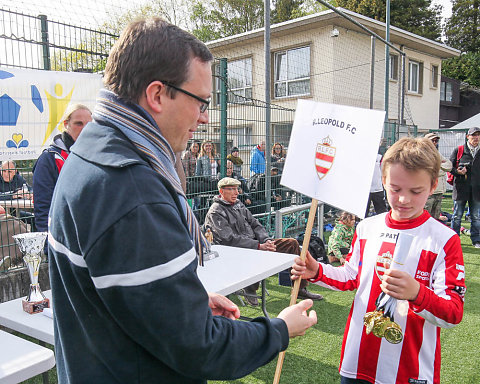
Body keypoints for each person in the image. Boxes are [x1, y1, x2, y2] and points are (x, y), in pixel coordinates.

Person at [48, 18, 316, 384]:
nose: (205, 118)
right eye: (201, 102)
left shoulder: (92, 152)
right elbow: (199, 347)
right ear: (157, 94)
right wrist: (279, 330)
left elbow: (111, 288)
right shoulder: (132, 187)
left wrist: (179, 298)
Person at [291, 137, 465, 384]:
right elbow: (352, 276)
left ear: (433, 185)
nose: (403, 199)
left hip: (410, 371)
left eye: (416, 191)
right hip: (357, 362)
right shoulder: (367, 228)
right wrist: (317, 270)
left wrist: (417, 292)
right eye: (395, 189)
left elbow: (453, 313)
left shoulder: (444, 240)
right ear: (383, 181)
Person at [204, 176, 323, 305]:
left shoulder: (238, 204)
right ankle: (250, 290)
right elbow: (229, 239)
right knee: (254, 254)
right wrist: (259, 246)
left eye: (237, 189)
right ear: (221, 192)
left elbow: (255, 224)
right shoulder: (215, 212)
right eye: (232, 189)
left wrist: (267, 241)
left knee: (292, 244)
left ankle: (300, 288)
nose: (237, 192)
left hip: (256, 245)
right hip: (236, 251)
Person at [33, 103, 92, 254]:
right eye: (78, 123)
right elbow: (43, 208)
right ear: (66, 125)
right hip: (63, 244)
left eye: (89, 124)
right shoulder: (49, 159)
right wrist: (50, 249)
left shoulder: (97, 156)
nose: (85, 128)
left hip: (92, 242)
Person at [449, 126, 480, 247]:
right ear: (468, 136)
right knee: (456, 216)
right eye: (473, 135)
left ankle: (476, 240)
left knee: (476, 217)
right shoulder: (459, 150)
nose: (476, 137)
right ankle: (454, 239)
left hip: (477, 191)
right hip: (461, 189)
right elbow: (449, 167)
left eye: (478, 135)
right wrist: (458, 172)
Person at [424, 132, 452, 220]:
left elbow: (449, 165)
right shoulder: (421, 153)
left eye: (436, 141)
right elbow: (428, 171)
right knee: (425, 218)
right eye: (432, 140)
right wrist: (440, 167)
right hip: (428, 192)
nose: (434, 143)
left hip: (439, 191)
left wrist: (438, 165)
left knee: (435, 218)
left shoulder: (437, 153)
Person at [365, 152, 387, 217]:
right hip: (365, 190)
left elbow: (384, 172)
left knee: (381, 212)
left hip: (377, 189)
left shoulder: (379, 157)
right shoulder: (362, 156)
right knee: (363, 213)